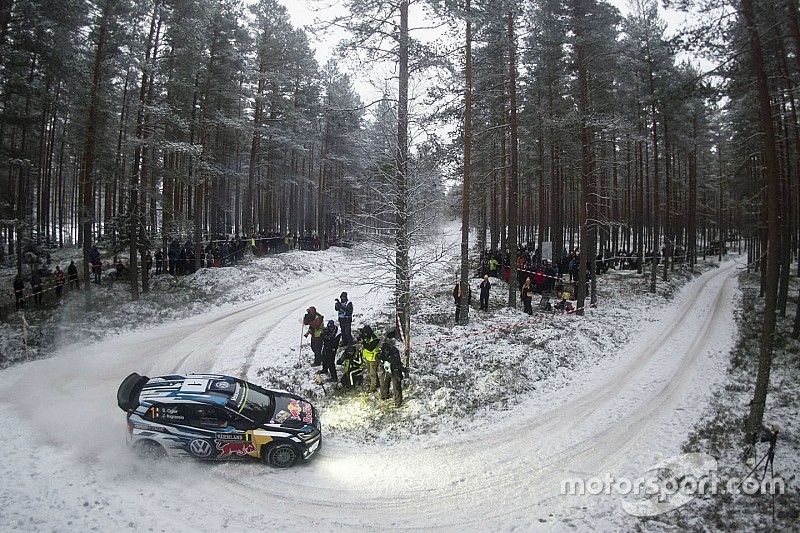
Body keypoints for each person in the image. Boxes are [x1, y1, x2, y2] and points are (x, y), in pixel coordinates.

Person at [377, 339, 407, 407]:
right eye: (385, 351)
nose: (386, 352)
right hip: (386, 368)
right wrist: (379, 357)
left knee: (396, 385)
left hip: (395, 369)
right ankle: (384, 396)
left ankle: (398, 401)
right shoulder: (381, 350)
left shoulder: (394, 351)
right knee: (383, 382)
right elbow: (378, 357)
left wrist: (386, 358)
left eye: (387, 351)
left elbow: (395, 361)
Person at [358, 324, 381, 393]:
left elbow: (370, 348)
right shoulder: (367, 335)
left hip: (373, 358)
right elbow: (360, 337)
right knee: (370, 372)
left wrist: (363, 342)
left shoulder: (375, 338)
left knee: (372, 374)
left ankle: (372, 388)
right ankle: (377, 384)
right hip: (368, 357)